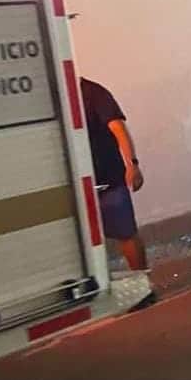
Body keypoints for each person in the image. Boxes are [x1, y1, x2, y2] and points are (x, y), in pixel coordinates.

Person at [80, 77, 148, 270]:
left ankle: (141, 279)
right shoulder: (54, 96)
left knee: (125, 233)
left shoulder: (93, 93)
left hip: (107, 179)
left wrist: (132, 165)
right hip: (76, 184)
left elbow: (118, 129)